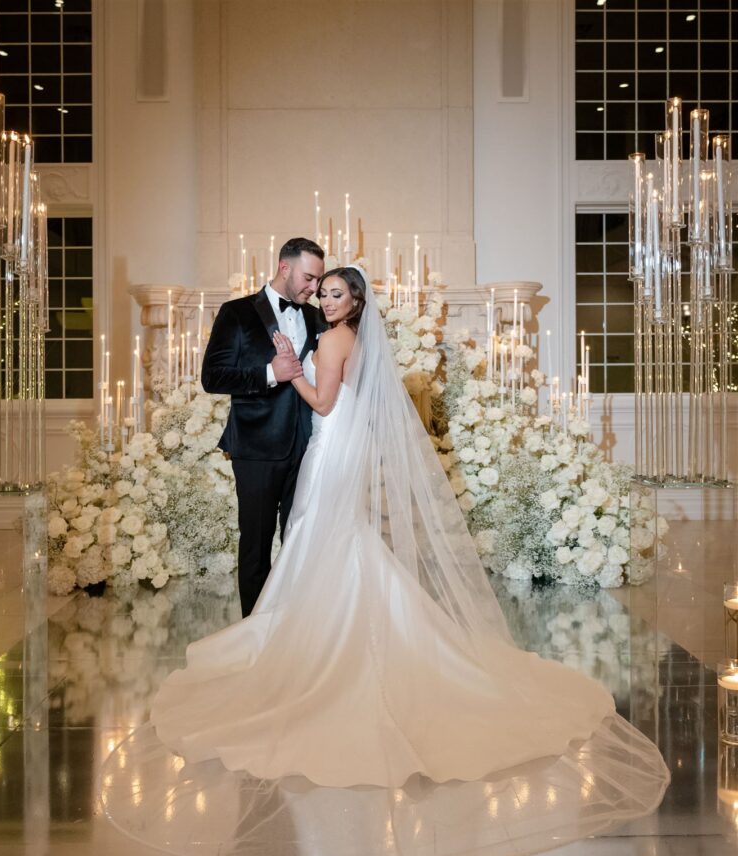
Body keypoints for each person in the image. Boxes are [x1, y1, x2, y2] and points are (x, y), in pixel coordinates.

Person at [145, 265, 669, 817]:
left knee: (321, 537)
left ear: (355, 300)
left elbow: (322, 404)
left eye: (335, 294)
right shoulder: (358, 339)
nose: (324, 301)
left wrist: (291, 370)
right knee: (334, 539)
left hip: (328, 450)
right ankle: (341, 628)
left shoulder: (332, 339)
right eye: (321, 292)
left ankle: (327, 644)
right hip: (340, 447)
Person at [201, 237, 325, 616]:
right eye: (308, 278)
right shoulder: (236, 313)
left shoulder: (317, 316)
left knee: (300, 544)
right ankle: (253, 635)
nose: (314, 288)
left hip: (306, 447)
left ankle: (291, 633)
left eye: (319, 281)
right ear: (284, 267)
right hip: (255, 447)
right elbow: (212, 377)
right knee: (255, 545)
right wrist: (271, 372)